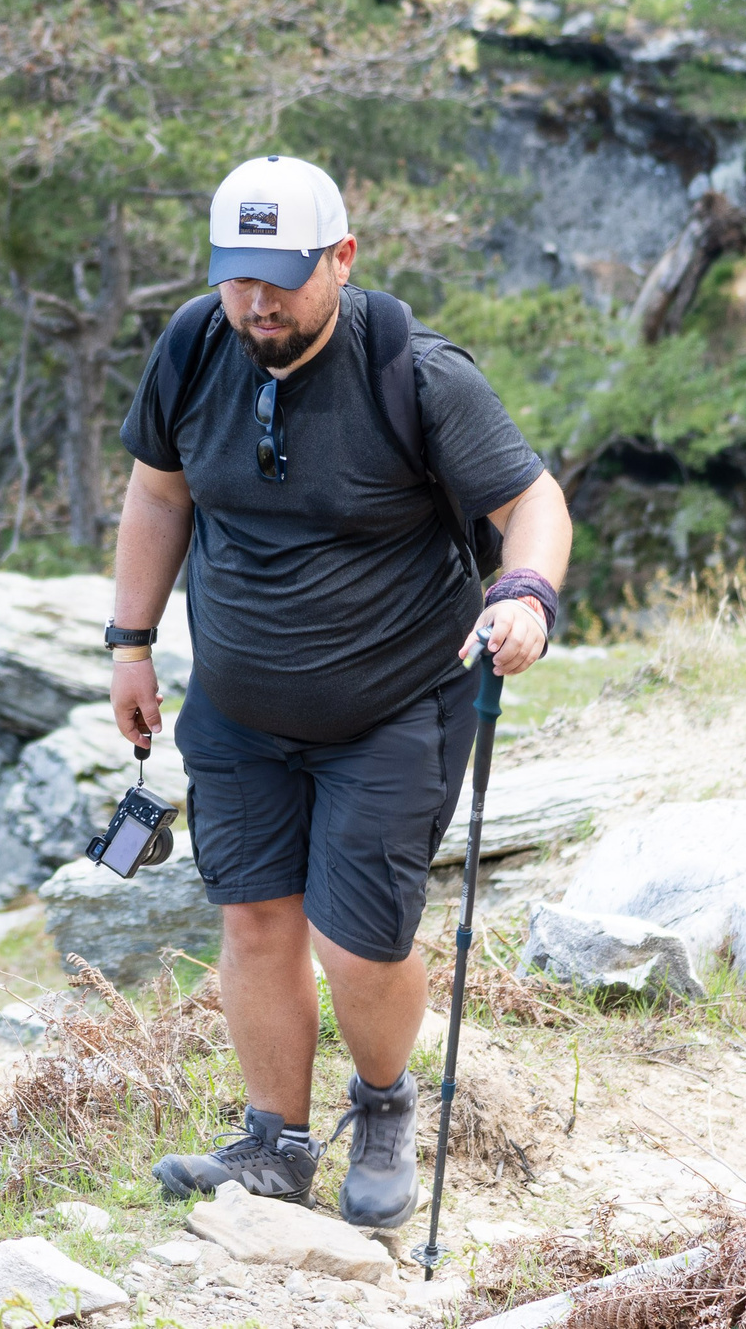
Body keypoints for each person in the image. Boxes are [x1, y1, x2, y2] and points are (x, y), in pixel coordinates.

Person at [106, 155, 571, 1228]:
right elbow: (157, 492)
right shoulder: (191, 347)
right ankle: (272, 1144)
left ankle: (383, 1105)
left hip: (395, 707)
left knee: (360, 942)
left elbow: (530, 499)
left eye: (281, 275)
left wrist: (527, 596)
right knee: (257, 921)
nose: (257, 301)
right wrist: (129, 643)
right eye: (237, 276)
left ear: (341, 257)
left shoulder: (414, 372)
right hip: (234, 710)